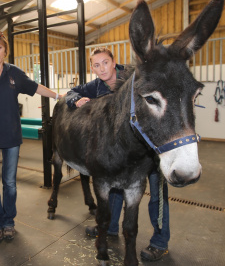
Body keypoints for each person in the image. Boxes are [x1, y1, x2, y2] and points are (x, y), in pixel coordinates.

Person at [65, 47, 170, 262]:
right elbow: (71, 92)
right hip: (123, 151)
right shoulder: (95, 86)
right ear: (92, 68)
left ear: (114, 62)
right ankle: (111, 228)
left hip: (149, 146)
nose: (102, 68)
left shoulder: (134, 79)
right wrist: (76, 99)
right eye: (96, 65)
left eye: (105, 62)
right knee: (113, 186)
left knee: (157, 193)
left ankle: (159, 242)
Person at [0, 29, 60, 243]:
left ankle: (9, 221)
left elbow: (35, 88)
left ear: (5, 50)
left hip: (11, 137)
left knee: (10, 183)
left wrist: (57, 95)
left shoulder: (14, 73)